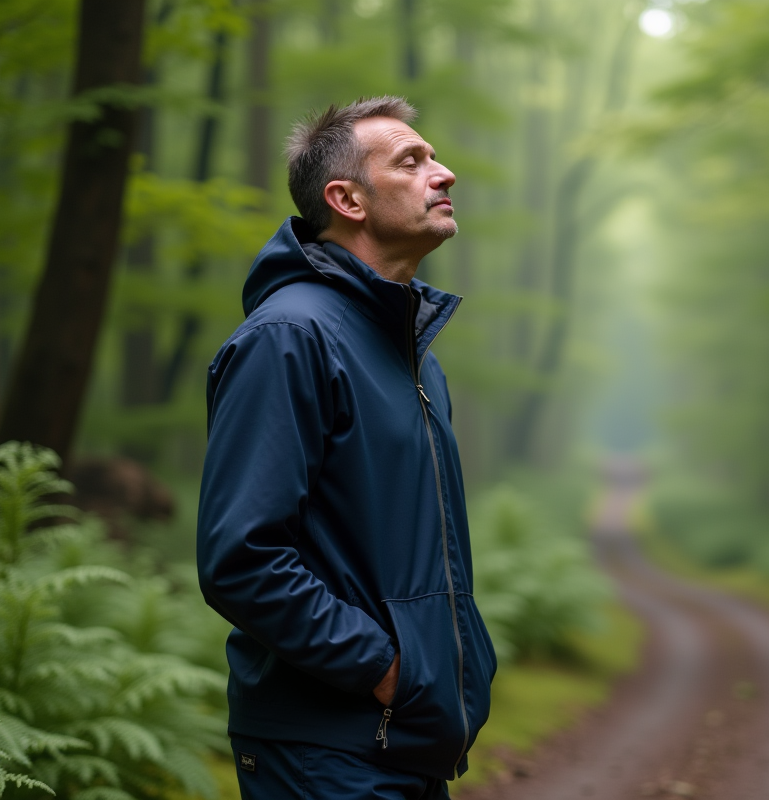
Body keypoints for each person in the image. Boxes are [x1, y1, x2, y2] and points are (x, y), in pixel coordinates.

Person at [196, 96, 496, 800]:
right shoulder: (289, 339)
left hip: (406, 738)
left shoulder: (409, 353)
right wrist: (386, 669)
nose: (444, 173)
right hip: (325, 748)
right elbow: (243, 559)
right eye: (412, 160)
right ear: (346, 199)